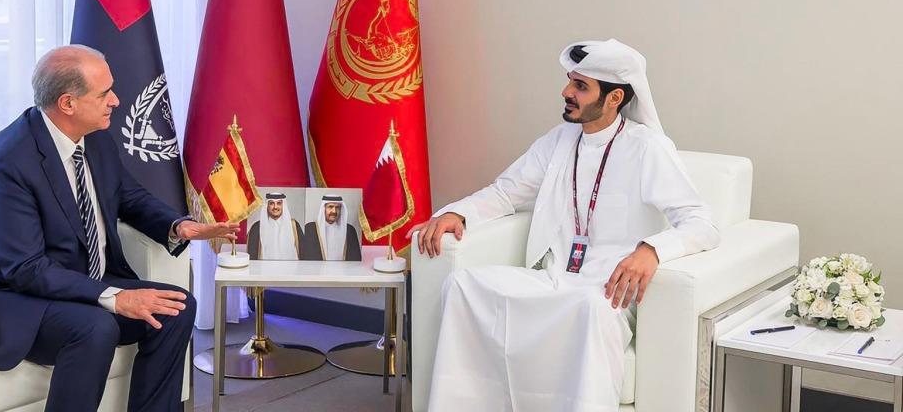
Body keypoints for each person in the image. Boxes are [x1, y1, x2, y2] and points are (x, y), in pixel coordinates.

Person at [410, 39, 720, 411]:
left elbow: (702, 223)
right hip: (554, 278)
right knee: (463, 284)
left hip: (606, 294)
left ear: (614, 98)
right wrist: (458, 214)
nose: (566, 92)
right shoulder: (558, 140)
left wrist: (652, 250)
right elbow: (506, 192)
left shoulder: (647, 147)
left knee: (589, 307)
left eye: (580, 86)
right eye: (570, 81)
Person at [0, 45, 238, 412]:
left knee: (176, 308)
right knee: (96, 327)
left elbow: (129, 197)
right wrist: (115, 297)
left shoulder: (95, 137)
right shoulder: (7, 163)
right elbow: (27, 270)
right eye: (104, 94)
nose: (116, 101)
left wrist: (180, 226)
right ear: (67, 103)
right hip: (19, 298)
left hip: (79, 282)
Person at [300, 194, 363, 261]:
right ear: (324, 209)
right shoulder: (310, 229)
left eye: (337, 207)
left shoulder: (350, 230)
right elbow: (307, 256)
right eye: (330, 207)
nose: (334, 211)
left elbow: (355, 257)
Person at [247, 192, 303, 260]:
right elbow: (252, 256)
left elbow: (303, 253)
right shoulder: (256, 227)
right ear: (267, 206)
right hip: (264, 266)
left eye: (279, 203)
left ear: (283, 205)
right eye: (271, 203)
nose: (275, 207)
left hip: (291, 266)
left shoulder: (294, 226)